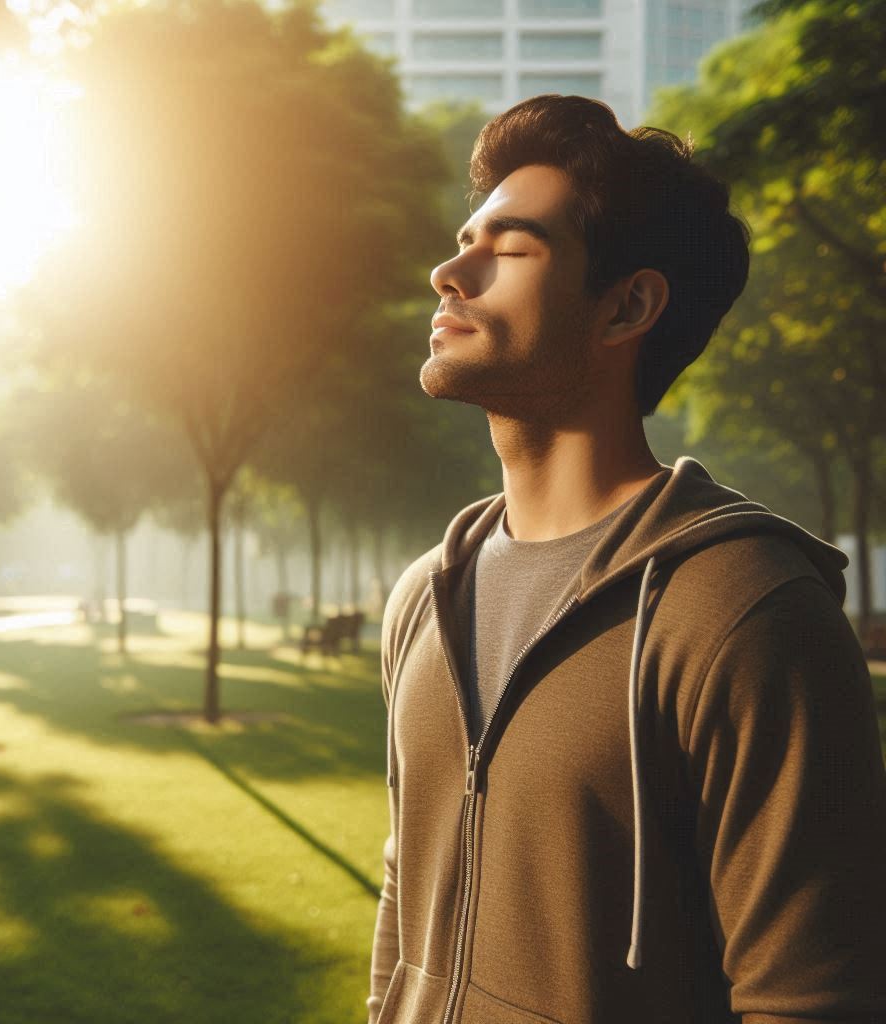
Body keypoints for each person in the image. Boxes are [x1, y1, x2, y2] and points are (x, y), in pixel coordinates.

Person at [367, 94, 886, 1024]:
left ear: (629, 305)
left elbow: (813, 1000)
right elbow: (409, 901)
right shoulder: (423, 596)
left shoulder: (745, 611)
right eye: (465, 240)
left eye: (511, 248)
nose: (451, 272)